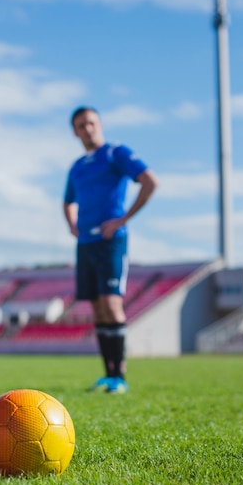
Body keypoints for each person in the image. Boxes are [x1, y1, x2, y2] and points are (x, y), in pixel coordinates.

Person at [63, 106, 158, 394]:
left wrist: (123, 220)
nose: (87, 129)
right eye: (81, 125)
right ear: (75, 132)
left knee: (112, 303)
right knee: (97, 307)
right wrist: (72, 224)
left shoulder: (116, 153)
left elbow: (150, 182)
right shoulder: (78, 166)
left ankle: (121, 378)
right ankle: (107, 374)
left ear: (99, 124)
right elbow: (68, 200)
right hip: (86, 244)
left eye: (91, 123)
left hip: (111, 241)